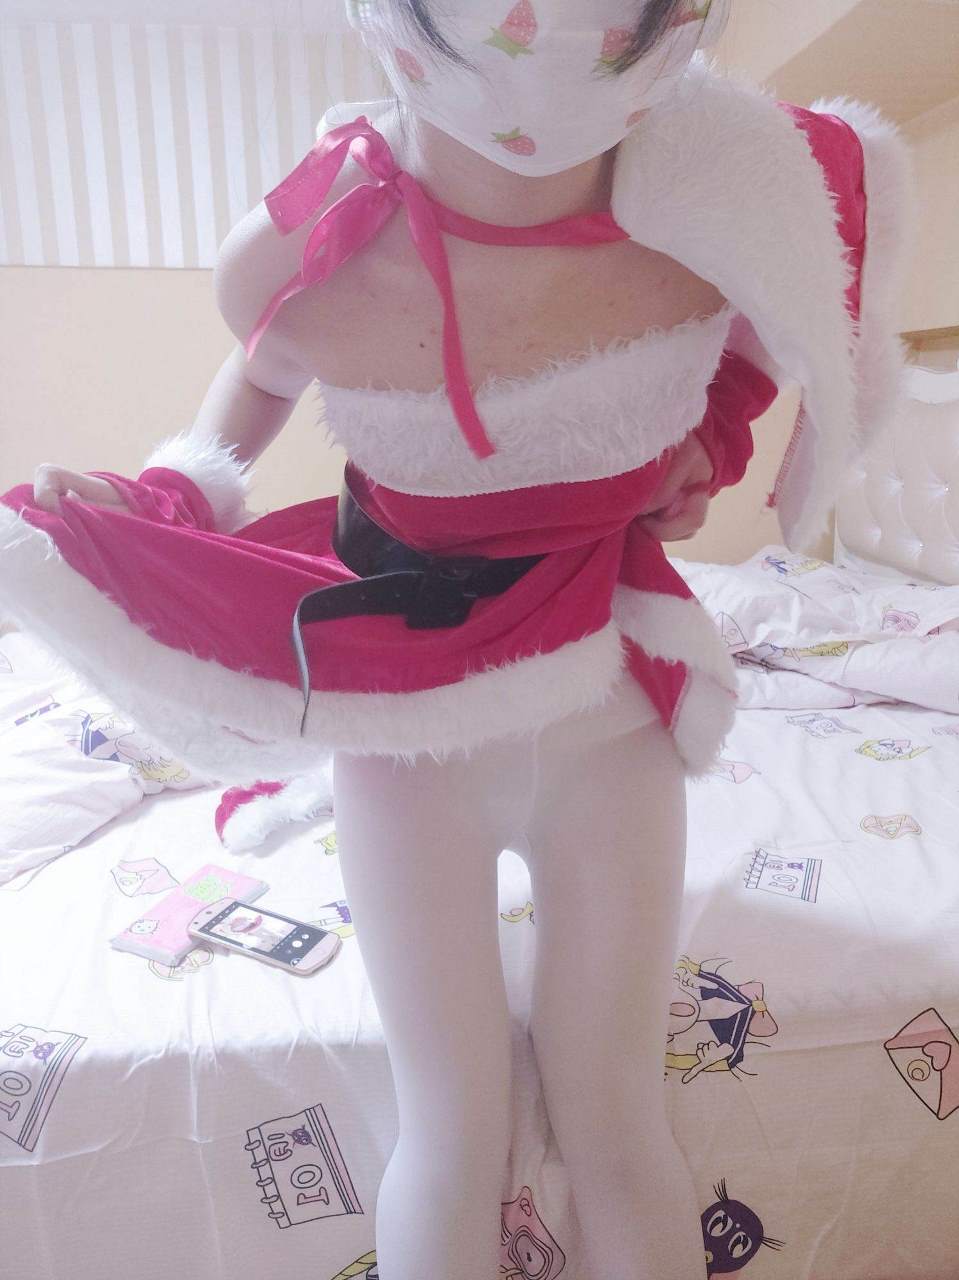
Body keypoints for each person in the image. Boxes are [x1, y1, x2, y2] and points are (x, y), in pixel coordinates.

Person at [0, 1, 913, 1277]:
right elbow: (257, 374)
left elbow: (761, 336)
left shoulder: (732, 192)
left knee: (578, 1118)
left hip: (573, 709)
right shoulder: (320, 246)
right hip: (426, 718)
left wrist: (700, 443)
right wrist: (165, 493)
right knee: (475, 1125)